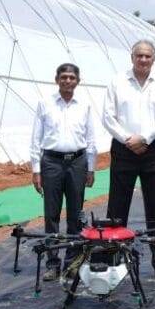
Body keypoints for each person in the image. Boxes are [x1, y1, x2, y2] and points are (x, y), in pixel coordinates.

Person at [102, 39, 155, 281]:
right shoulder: (117, 81)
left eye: (148, 56)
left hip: (152, 148)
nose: (143, 60)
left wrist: (144, 138)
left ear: (153, 59)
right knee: (117, 206)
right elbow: (108, 117)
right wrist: (129, 139)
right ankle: (114, 260)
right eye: (139, 55)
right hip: (124, 150)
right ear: (132, 57)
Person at [30, 63, 96, 281]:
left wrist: (91, 167)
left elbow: (91, 138)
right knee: (51, 214)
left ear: (78, 81)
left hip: (77, 161)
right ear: (56, 79)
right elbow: (36, 139)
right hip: (51, 162)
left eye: (72, 77)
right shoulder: (45, 103)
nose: (68, 81)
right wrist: (36, 170)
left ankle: (72, 261)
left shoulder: (84, 105)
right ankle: (52, 262)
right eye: (64, 77)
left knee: (76, 214)